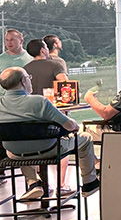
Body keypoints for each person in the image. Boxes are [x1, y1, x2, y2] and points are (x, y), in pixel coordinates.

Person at [0, 67, 100, 201]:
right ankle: (89, 183)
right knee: (85, 138)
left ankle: (34, 183)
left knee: (19, 143)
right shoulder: (39, 102)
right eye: (29, 78)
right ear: (23, 81)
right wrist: (73, 124)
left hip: (15, 154)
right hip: (48, 150)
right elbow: (70, 126)